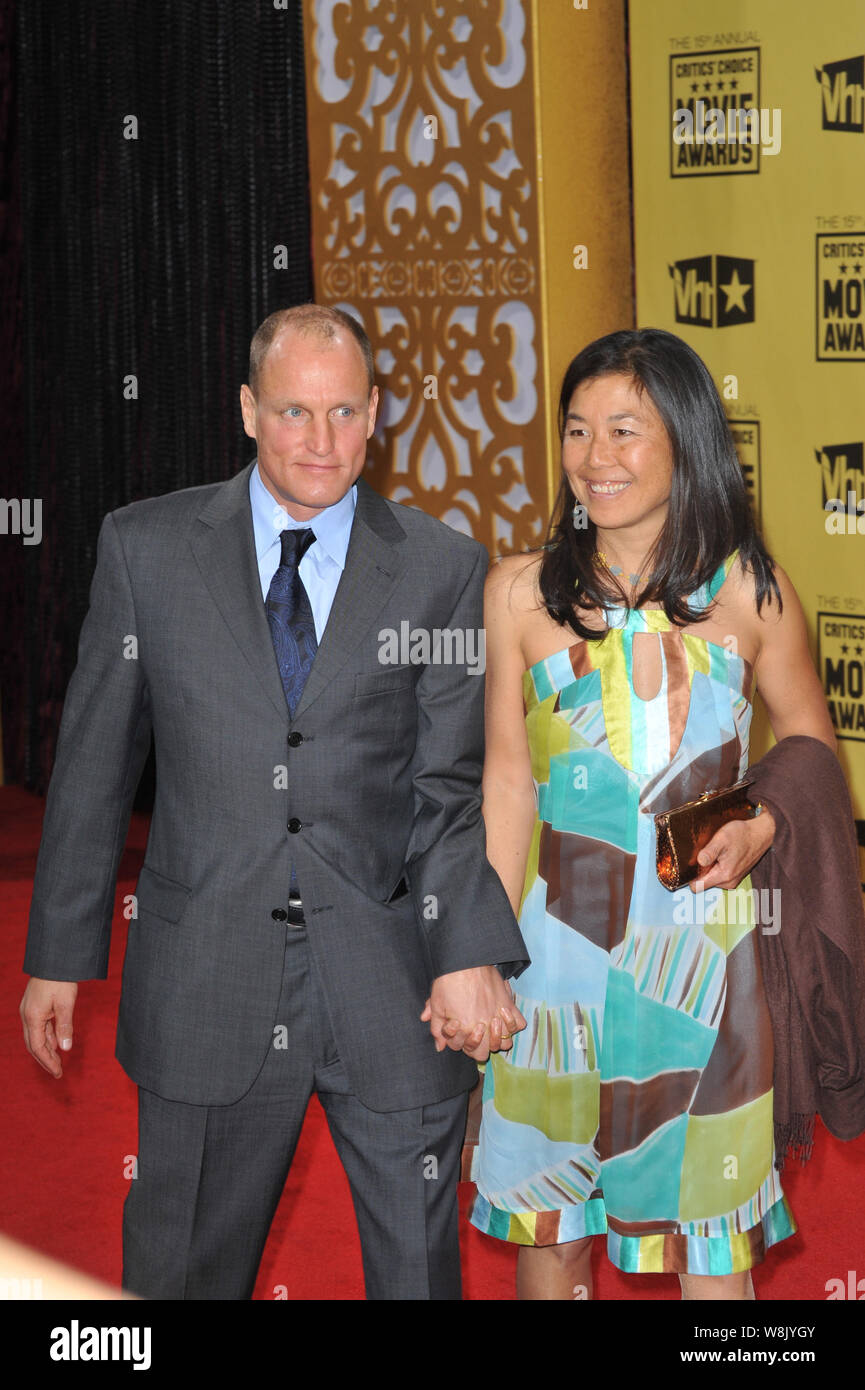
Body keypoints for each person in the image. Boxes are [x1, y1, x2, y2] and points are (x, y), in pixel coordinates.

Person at [19, 304, 529, 1301]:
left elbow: (445, 788)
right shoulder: (147, 549)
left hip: (389, 980)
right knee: (182, 1274)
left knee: (419, 1278)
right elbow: (93, 765)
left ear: (376, 413)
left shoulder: (441, 567)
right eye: (295, 412)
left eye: (344, 412)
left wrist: (465, 950)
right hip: (206, 974)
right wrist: (58, 954)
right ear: (249, 410)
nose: (321, 441)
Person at [467, 326, 837, 1301]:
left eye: (624, 430)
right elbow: (507, 786)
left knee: (710, 1246)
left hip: (705, 972)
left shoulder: (751, 593)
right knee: (551, 1232)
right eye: (577, 429)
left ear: (685, 439)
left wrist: (763, 823)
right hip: (553, 970)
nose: (595, 457)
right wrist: (479, 952)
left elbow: (811, 744)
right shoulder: (517, 595)